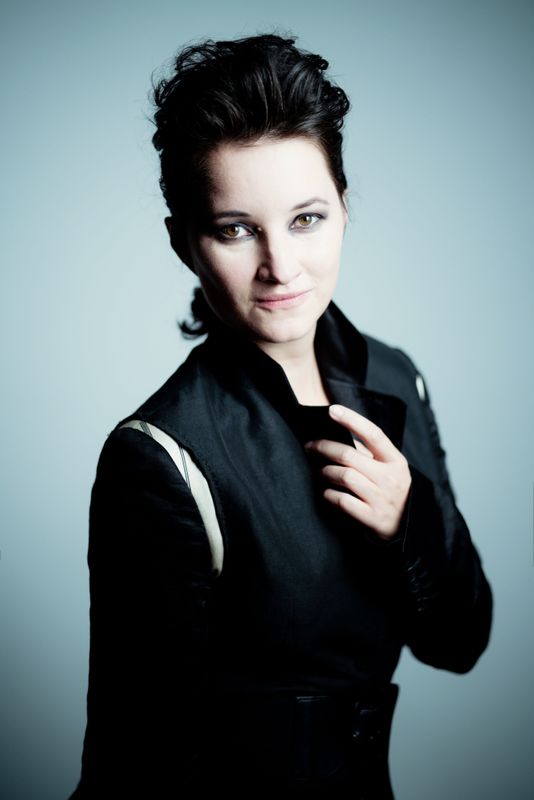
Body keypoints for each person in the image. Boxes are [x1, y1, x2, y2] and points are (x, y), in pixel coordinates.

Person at [69, 33, 492, 798]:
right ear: (185, 242)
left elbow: (461, 642)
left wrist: (408, 522)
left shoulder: (396, 378)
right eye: (236, 229)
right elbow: (136, 766)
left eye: (306, 219)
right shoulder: (159, 456)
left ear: (344, 208)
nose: (281, 267)